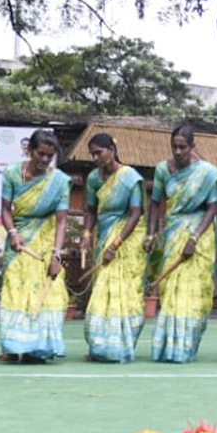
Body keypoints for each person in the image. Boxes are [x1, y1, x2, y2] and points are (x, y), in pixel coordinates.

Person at [147, 124, 217, 363]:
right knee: (171, 289)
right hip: (172, 232)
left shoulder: (208, 173)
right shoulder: (162, 170)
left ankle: (186, 347)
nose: (178, 152)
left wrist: (194, 237)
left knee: (192, 291)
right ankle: (168, 346)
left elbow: (212, 207)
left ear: (192, 147)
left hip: (199, 234)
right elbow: (155, 203)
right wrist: (151, 235)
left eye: (183, 147)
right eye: (174, 147)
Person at [0, 129, 71, 363]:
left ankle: (37, 347)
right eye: (40, 153)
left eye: (49, 156)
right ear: (29, 150)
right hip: (18, 241)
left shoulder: (58, 181)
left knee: (43, 292)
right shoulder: (11, 173)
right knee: (15, 291)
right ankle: (13, 345)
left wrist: (56, 255)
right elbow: (6, 210)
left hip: (45, 242)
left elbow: (61, 221)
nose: (44, 160)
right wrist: (12, 233)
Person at [82, 132, 147, 362]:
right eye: (92, 154)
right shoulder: (93, 179)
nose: (95, 157)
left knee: (123, 292)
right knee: (102, 290)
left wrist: (116, 244)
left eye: (99, 152)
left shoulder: (130, 177)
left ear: (112, 149)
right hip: (104, 237)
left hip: (126, 241)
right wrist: (87, 233)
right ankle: (100, 346)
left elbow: (136, 214)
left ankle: (121, 346)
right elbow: (90, 210)